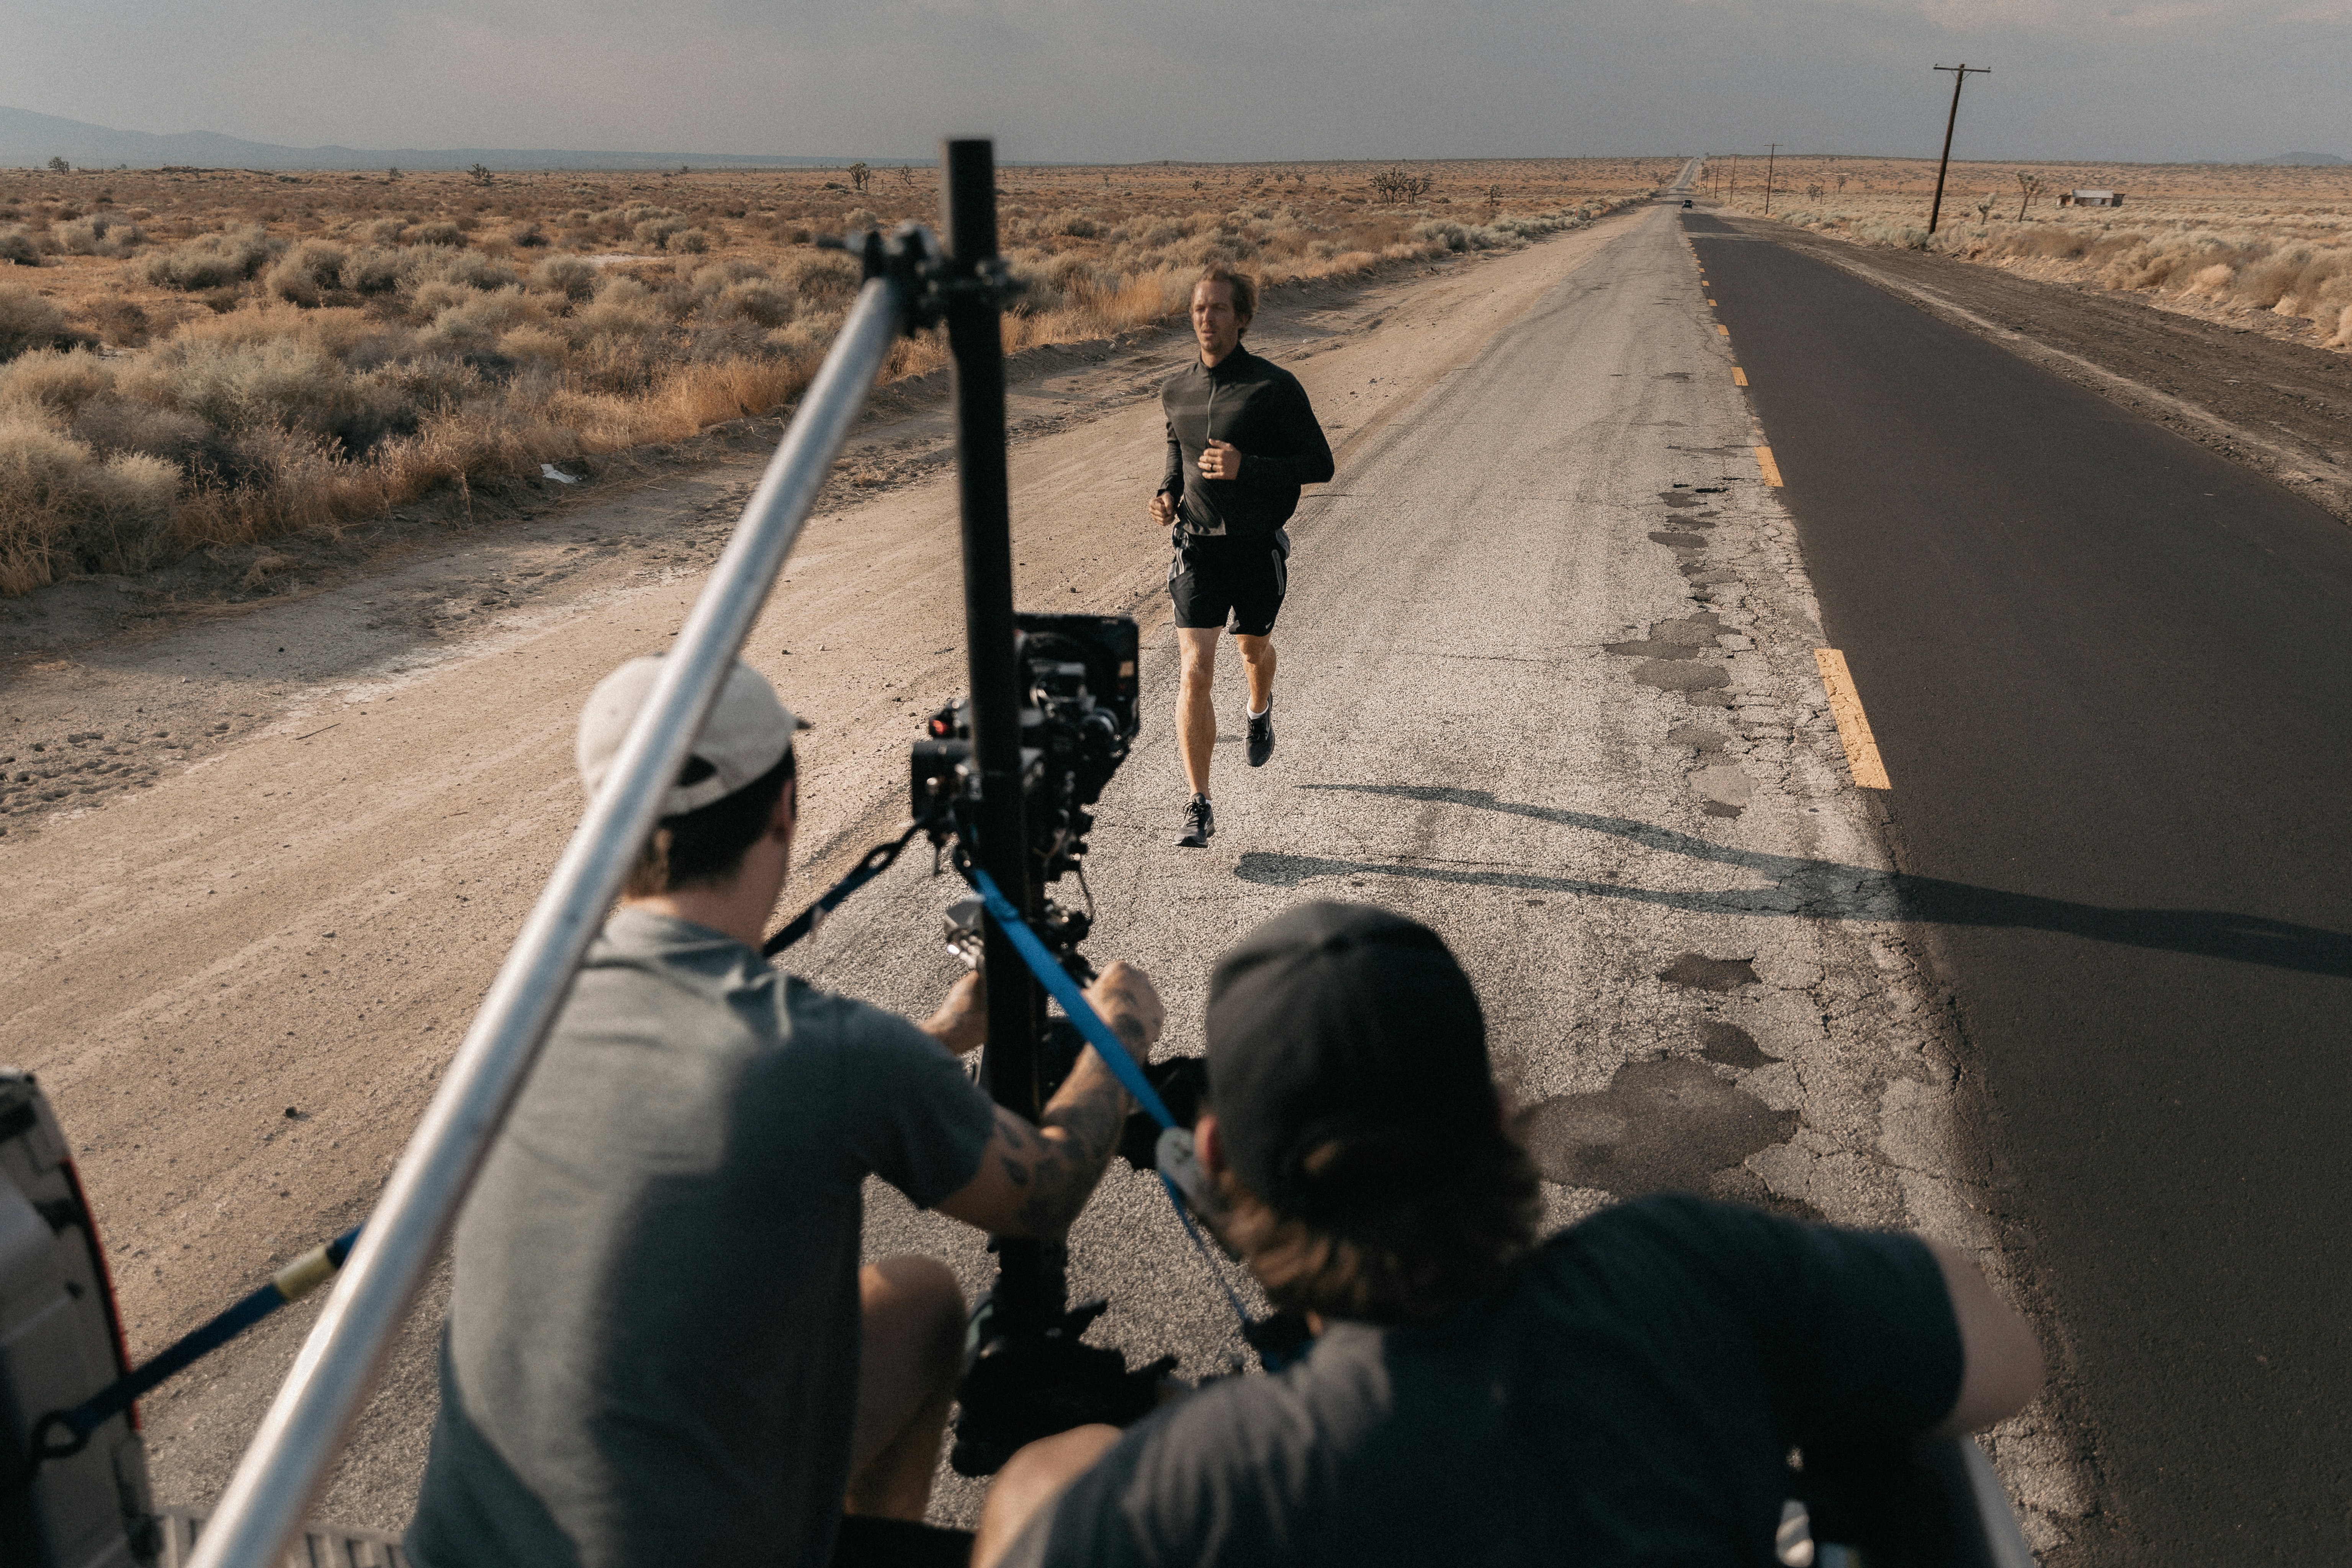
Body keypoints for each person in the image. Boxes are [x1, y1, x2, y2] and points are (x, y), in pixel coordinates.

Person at [971, 903, 2045, 1568]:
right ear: (1497, 1123)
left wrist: (1120, 1437)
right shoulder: (1679, 1273)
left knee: (1038, 1477)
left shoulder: (1192, 1495)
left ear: (1213, 1169)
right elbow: (2000, 1359)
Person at [406, 656, 1165, 1568]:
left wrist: (941, 1033)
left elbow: (715, 1092)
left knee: (922, 1302)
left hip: (468, 1548)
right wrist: (1119, 1031)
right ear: (783, 808)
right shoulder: (822, 1051)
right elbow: (1039, 1192)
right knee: (1083, 1477)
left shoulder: (518, 1019)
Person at [1149, 262, 1335, 848]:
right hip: (1197, 551)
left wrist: (1246, 467)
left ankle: (1259, 710)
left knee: (1252, 650)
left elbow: (1319, 465)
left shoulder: (1272, 386)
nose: (1207, 318)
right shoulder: (1174, 388)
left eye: (1220, 308)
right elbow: (1176, 449)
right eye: (1200, 308)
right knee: (1195, 670)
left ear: (1244, 318)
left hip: (1256, 548)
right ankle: (1199, 803)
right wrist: (1167, 494)